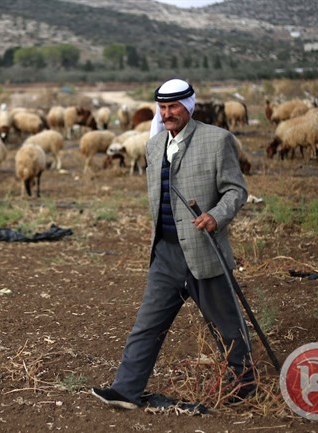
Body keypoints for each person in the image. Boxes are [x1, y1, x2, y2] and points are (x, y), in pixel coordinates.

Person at [91, 78, 256, 410]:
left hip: (204, 249)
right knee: (148, 323)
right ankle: (126, 389)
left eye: (174, 107)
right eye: (163, 108)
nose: (167, 114)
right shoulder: (153, 146)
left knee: (226, 324)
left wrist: (216, 215)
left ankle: (245, 384)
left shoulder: (217, 139)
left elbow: (236, 190)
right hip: (165, 252)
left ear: (189, 106)